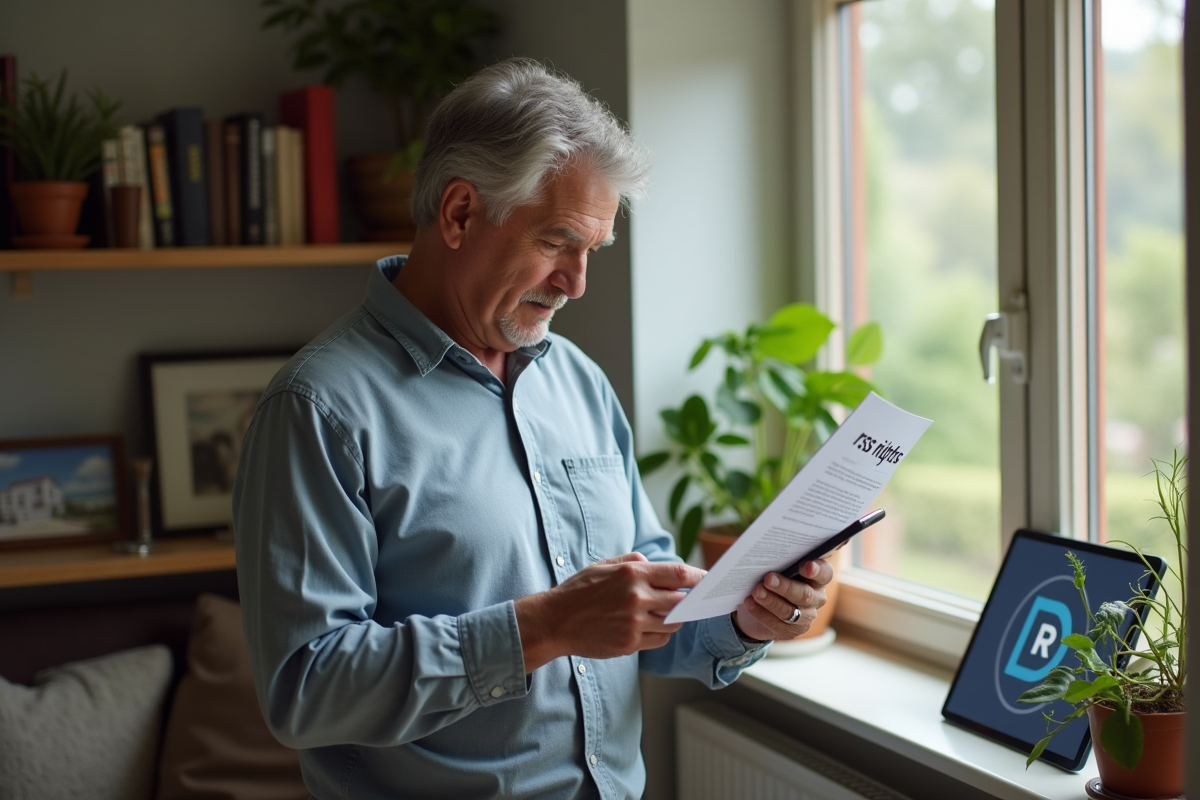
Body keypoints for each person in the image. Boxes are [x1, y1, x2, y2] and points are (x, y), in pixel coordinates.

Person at [233, 57, 834, 800]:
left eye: (592, 253)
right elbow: (307, 689)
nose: (577, 283)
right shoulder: (319, 410)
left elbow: (643, 608)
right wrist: (542, 627)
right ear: (458, 214)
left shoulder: (575, 379)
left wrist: (745, 617)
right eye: (557, 242)